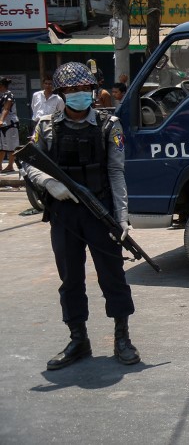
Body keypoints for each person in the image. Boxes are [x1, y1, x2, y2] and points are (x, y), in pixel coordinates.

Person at [22, 62, 139, 369]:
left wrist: (123, 217)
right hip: (64, 215)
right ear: (60, 94)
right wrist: (49, 182)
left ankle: (122, 337)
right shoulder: (47, 126)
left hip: (100, 212)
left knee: (113, 276)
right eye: (71, 91)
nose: (78, 95)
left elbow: (116, 173)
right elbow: (28, 162)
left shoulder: (108, 125)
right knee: (70, 278)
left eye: (83, 89)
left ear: (91, 90)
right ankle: (78, 339)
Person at [0, 77, 19, 172]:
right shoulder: (1, 95)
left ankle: (10, 165)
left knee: (11, 145)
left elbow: (6, 109)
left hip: (10, 123)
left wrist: (1, 120)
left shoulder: (9, 95)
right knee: (1, 146)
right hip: (2, 123)